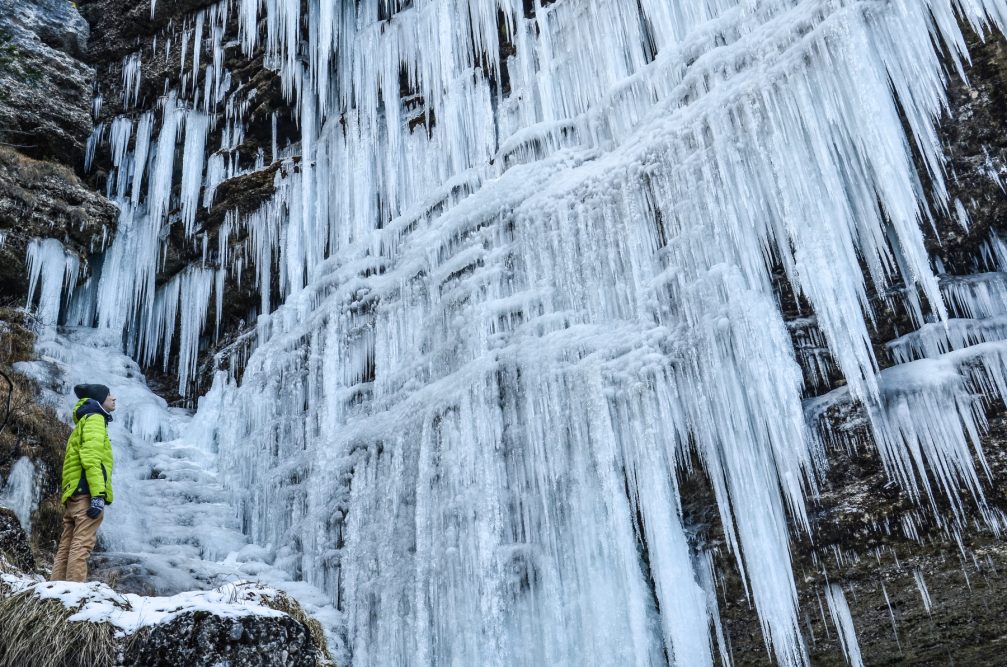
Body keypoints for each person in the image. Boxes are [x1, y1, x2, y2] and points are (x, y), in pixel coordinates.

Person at [50, 383, 116, 582]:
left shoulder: (84, 420)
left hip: (74, 493)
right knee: (82, 544)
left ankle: (56, 590)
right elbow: (91, 457)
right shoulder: (95, 419)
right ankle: (75, 594)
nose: (114, 398)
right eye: (109, 394)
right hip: (86, 492)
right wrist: (98, 495)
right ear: (99, 400)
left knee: (68, 544)